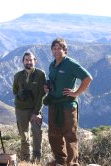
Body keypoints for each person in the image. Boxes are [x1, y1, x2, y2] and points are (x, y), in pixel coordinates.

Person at [44, 38, 92, 166]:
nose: (57, 51)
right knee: (53, 134)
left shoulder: (70, 64)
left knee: (70, 135)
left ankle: (72, 163)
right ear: (51, 50)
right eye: (54, 48)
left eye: (59, 48)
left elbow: (87, 78)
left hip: (68, 106)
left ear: (65, 50)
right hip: (54, 104)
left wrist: (76, 92)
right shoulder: (52, 64)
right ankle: (60, 161)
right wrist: (47, 88)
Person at [13, 51, 46, 162]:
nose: (29, 62)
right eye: (26, 60)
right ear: (23, 61)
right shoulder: (18, 76)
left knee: (37, 134)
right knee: (24, 135)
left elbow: (42, 95)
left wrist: (36, 112)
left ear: (35, 61)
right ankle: (25, 160)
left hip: (35, 109)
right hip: (21, 109)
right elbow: (15, 91)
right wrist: (22, 95)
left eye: (31, 60)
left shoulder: (41, 75)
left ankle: (36, 160)